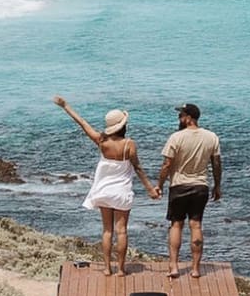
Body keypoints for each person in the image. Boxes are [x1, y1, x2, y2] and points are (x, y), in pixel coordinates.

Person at [53, 96, 159, 277]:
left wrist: (65, 106)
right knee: (122, 231)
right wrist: (150, 189)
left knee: (107, 231)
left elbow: (82, 123)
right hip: (122, 192)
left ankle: (107, 268)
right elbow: (138, 168)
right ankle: (121, 269)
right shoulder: (129, 145)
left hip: (103, 191)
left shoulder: (101, 141)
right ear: (124, 126)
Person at [157, 103, 221, 279]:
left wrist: (160, 185)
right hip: (201, 186)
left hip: (179, 186)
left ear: (189, 118)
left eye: (181, 115)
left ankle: (174, 266)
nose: (179, 118)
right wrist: (218, 185)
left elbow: (167, 165)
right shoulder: (211, 137)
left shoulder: (176, 137)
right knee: (196, 225)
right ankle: (195, 269)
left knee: (176, 224)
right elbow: (216, 164)